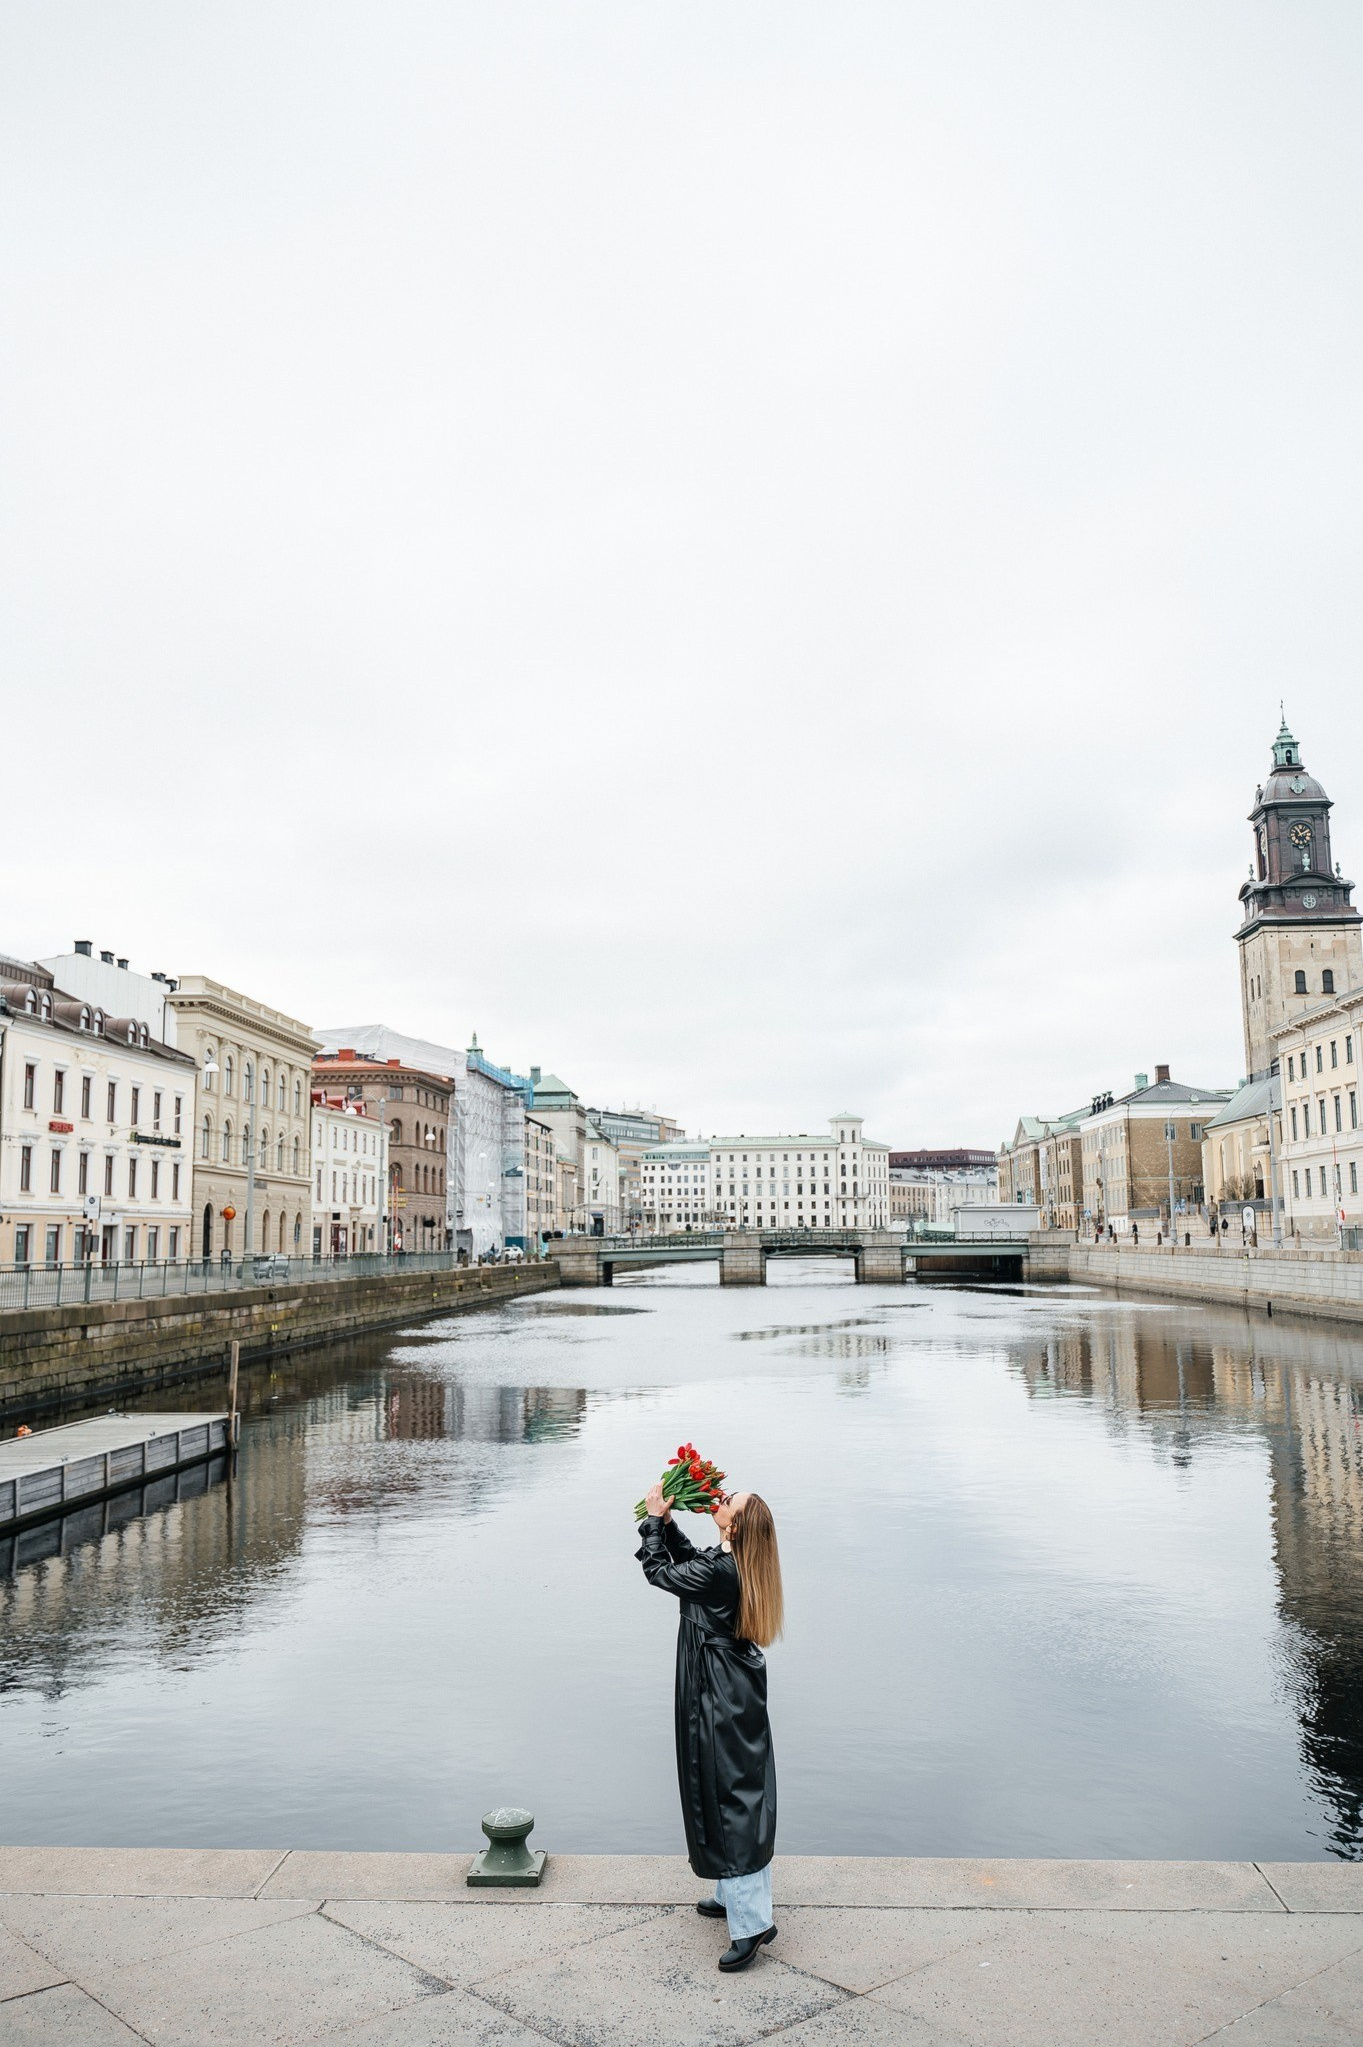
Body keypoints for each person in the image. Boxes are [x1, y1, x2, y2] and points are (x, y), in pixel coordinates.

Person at [636, 1483, 783, 1972]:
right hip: (728, 1684)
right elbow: (689, 1566)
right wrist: (670, 1526)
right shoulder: (733, 1562)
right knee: (728, 1787)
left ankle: (752, 1923)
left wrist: (654, 1521)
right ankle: (731, 1893)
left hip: (716, 1691)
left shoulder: (723, 1570)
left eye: (727, 1504)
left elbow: (661, 1573)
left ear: (735, 1527)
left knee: (728, 1794)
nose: (718, 1503)